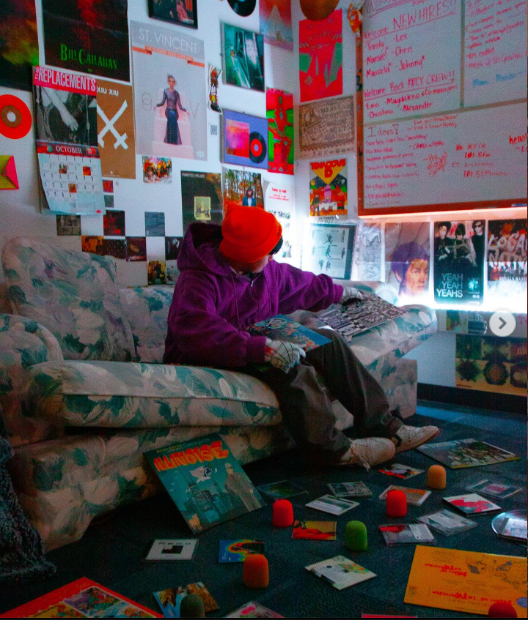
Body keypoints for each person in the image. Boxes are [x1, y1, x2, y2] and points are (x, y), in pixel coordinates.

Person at [164, 207, 440, 468]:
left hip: (257, 340)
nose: (273, 258)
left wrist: (338, 293)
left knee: (329, 342)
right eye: (268, 252)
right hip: (215, 354)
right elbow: (199, 333)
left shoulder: (264, 269)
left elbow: (299, 284)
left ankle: (386, 427)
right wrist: (262, 349)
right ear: (247, 253)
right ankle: (333, 451)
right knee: (292, 367)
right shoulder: (197, 281)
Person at [156, 75, 188, 145]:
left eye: (173, 81)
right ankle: (170, 140)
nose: (171, 83)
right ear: (168, 82)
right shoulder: (166, 91)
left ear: (174, 83)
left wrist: (186, 110)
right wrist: (156, 105)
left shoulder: (176, 93)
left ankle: (173, 140)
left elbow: (180, 105)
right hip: (168, 111)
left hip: (175, 112)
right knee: (171, 114)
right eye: (170, 81)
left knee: (173, 114)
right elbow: (162, 102)